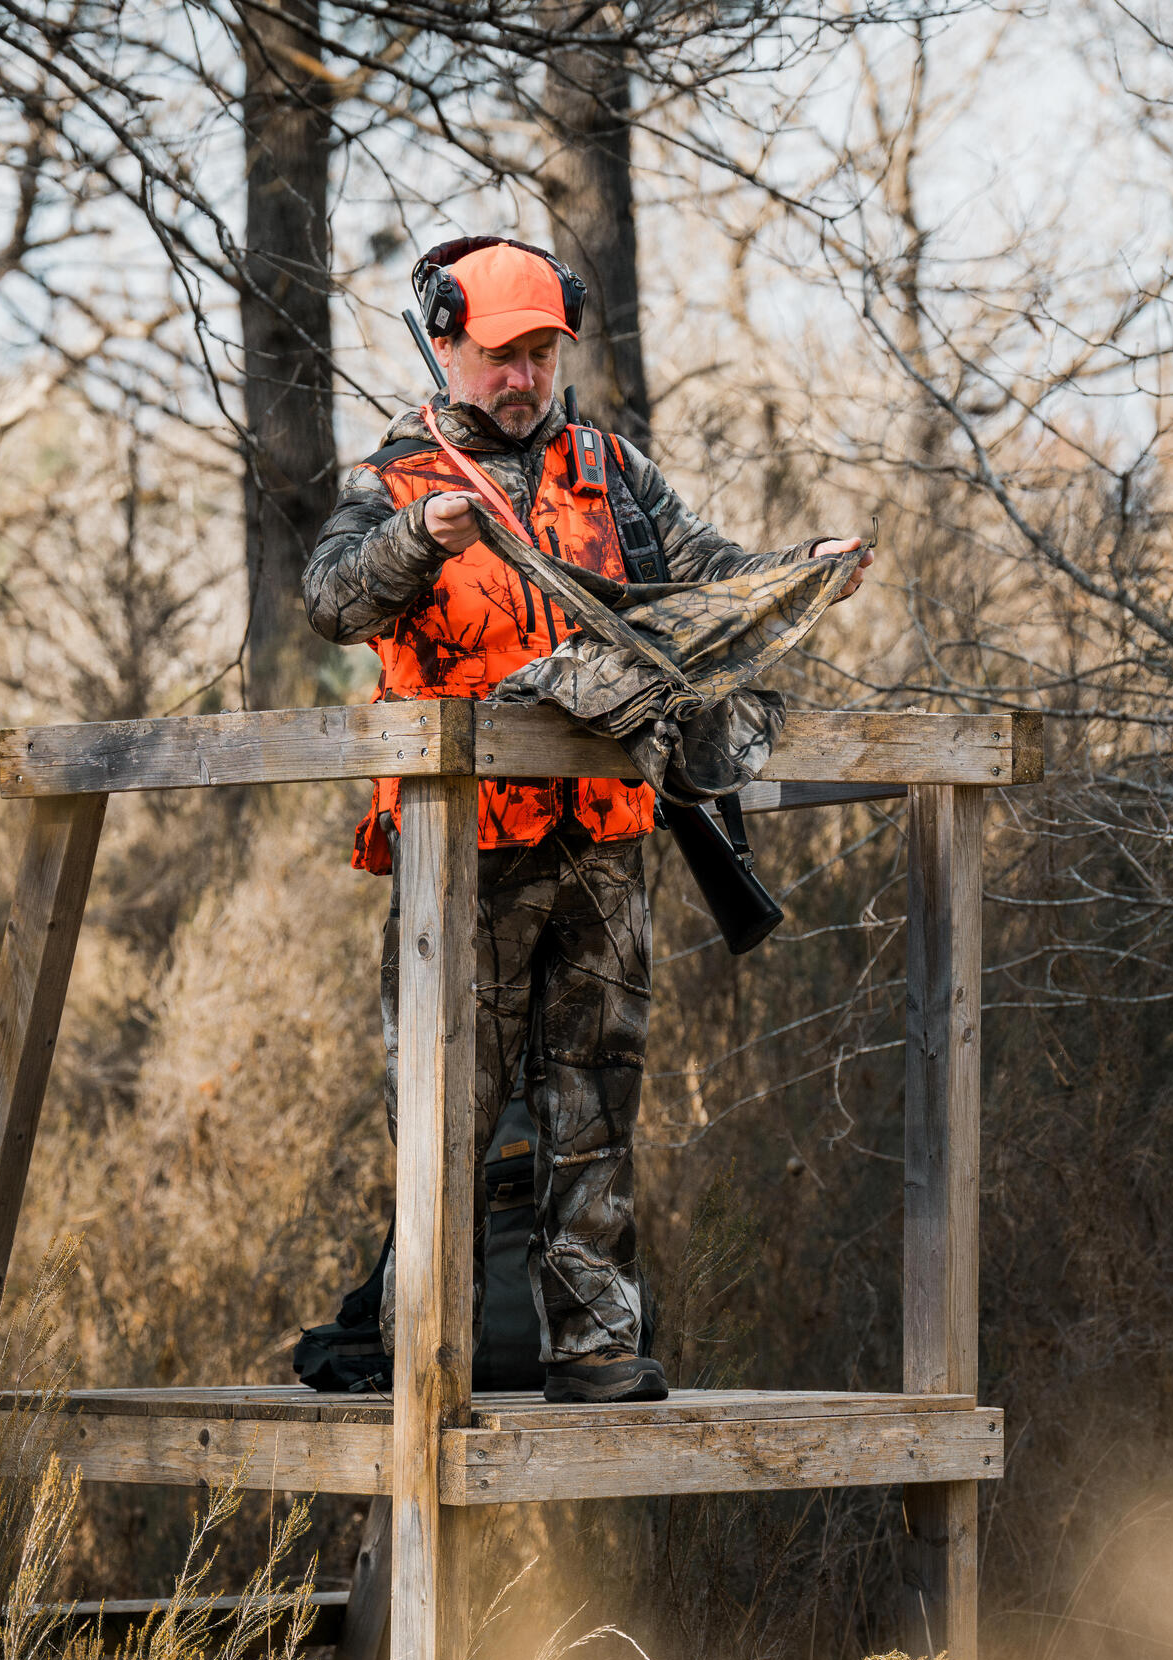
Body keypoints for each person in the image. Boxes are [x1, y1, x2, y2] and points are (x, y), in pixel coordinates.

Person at [303, 235, 872, 1403]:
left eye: (542, 356)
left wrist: (798, 569)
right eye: (503, 355)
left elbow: (704, 573)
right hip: (460, 847)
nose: (524, 379)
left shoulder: (610, 468)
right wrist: (421, 543)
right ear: (444, 340)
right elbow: (329, 600)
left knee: (598, 1091)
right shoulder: (396, 481)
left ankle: (595, 1344)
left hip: (605, 830)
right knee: (447, 1101)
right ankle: (428, 1349)